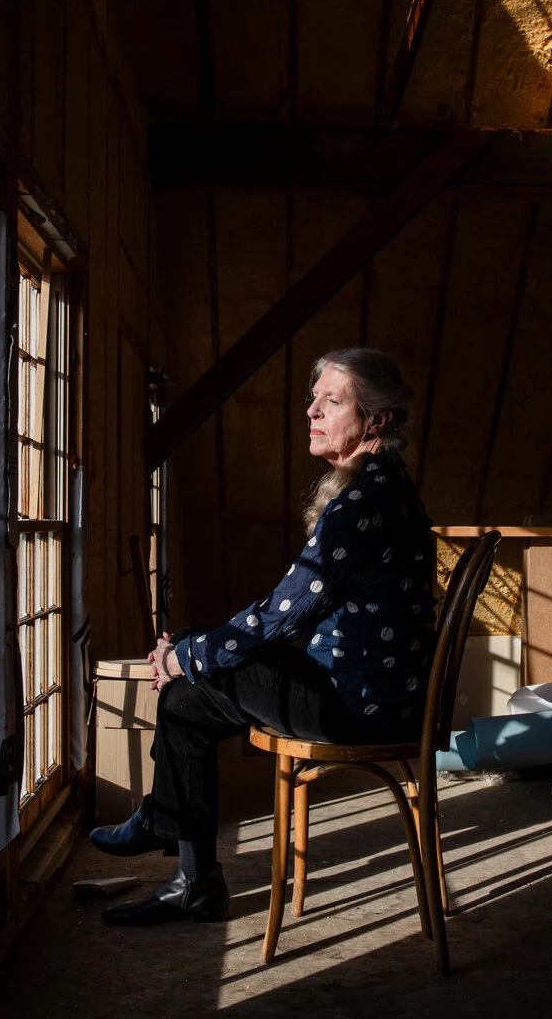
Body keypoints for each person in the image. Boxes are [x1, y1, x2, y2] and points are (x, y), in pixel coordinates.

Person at [91, 347, 437, 925]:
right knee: (190, 679)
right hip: (374, 693)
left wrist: (186, 656)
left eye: (331, 401)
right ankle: (174, 846)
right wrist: (190, 650)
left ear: (376, 421)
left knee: (185, 688)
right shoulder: (382, 484)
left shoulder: (363, 501)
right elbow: (285, 617)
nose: (311, 411)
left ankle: (177, 848)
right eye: (313, 398)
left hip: (355, 707)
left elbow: (282, 616)